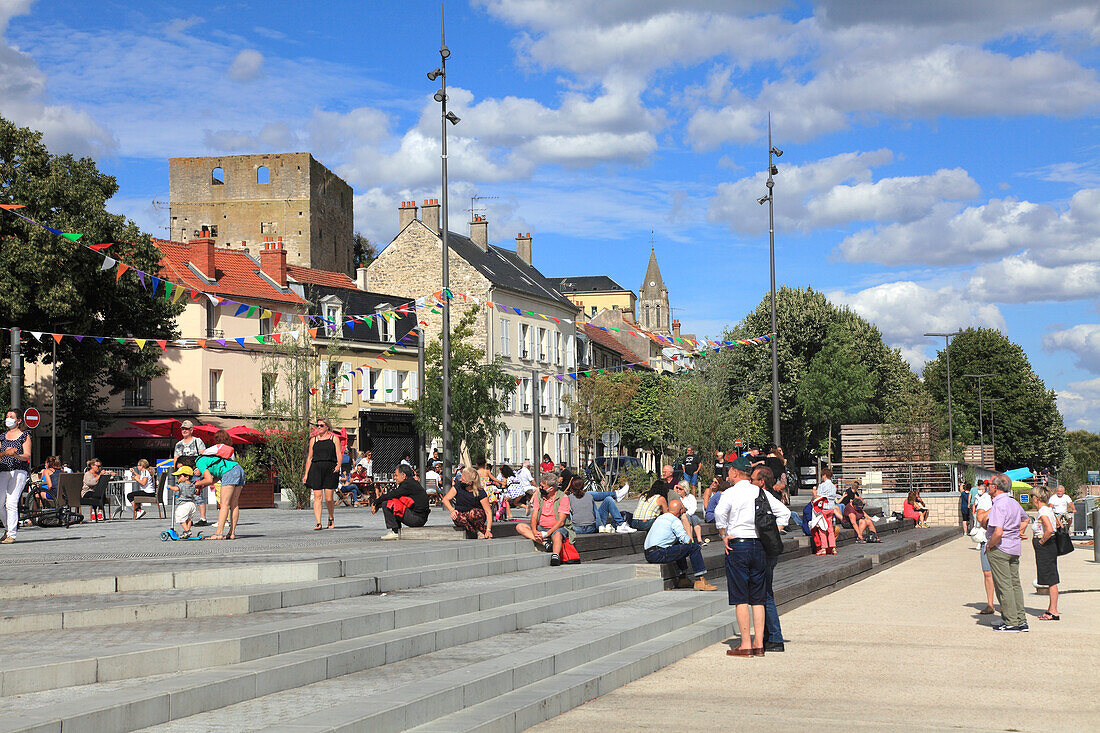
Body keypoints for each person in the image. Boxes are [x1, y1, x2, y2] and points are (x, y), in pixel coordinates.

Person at [715, 457, 791, 656]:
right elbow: (784, 512)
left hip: (738, 545)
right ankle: (759, 643)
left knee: (741, 597)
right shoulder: (760, 492)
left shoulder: (729, 493)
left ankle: (746, 644)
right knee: (758, 598)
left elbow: (719, 514)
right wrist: (775, 531)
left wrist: (724, 535)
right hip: (759, 545)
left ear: (734, 472)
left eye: (730, 472)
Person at [984, 473, 1030, 632]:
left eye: (989, 484)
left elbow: (998, 532)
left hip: (1000, 548)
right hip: (1014, 548)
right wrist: (1019, 531)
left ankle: (1011, 622)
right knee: (1015, 584)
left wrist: (989, 545)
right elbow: (1026, 519)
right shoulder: (1013, 502)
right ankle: (1020, 619)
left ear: (995, 487)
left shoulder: (998, 504)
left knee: (1004, 586)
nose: (987, 486)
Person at [751, 466, 788, 651]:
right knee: (765, 593)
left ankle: (774, 637)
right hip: (767, 550)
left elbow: (785, 513)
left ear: (761, 482)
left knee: (765, 594)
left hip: (766, 550)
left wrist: (773, 533)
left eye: (753, 479)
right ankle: (769, 635)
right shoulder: (762, 495)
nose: (751, 482)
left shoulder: (765, 496)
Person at [643, 498, 717, 591]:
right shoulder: (675, 521)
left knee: (679, 546)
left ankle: (683, 578)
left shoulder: (661, 518)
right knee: (694, 547)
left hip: (649, 553)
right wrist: (685, 523)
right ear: (680, 511)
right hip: (659, 553)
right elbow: (687, 541)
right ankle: (699, 580)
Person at [194, 431, 245, 540]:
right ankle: (231, 533)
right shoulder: (212, 458)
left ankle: (218, 533)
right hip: (238, 469)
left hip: (230, 472)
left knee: (224, 504)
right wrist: (203, 485)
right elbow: (216, 477)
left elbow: (208, 479)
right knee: (234, 504)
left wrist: (197, 484)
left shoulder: (200, 461)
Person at [515, 474, 572, 565]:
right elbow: (534, 515)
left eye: (542, 486)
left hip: (556, 528)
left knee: (558, 535)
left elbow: (561, 521)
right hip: (541, 527)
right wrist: (534, 530)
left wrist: (547, 533)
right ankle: (545, 544)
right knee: (520, 526)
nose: (540, 488)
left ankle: (555, 555)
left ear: (551, 488)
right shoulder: (539, 496)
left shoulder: (563, 497)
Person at [372, 463, 430, 540]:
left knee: (387, 503)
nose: (395, 478)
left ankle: (395, 532)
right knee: (394, 500)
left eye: (396, 475)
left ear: (403, 475)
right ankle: (397, 530)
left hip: (417, 519)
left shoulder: (408, 484)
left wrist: (375, 502)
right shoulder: (410, 482)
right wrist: (378, 504)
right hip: (419, 517)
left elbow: (392, 494)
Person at [0, 410, 33, 544]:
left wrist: (15, 455)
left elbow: (27, 455)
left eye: (11, 417)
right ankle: (8, 528)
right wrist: (5, 453)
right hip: (3, 469)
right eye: (7, 416)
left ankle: (11, 534)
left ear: (18, 420)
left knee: (12, 502)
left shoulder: (25, 435)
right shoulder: (2, 436)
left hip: (19, 470)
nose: (8, 419)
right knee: (0, 503)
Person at [1029, 486, 1061, 621]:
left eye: (1032, 497)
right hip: (1050, 546)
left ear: (1036, 498)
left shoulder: (1043, 511)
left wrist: (1041, 541)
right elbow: (1058, 525)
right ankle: (1052, 609)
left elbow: (1049, 529)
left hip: (1045, 547)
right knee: (1050, 577)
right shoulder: (1049, 509)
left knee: (1051, 579)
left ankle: (1053, 610)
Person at [302, 418, 340, 530]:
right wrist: (306, 474)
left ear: (327, 427)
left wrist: (338, 465)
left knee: (329, 498)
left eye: (321, 425)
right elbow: (309, 458)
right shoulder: (313, 440)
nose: (318, 427)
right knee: (317, 497)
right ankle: (318, 522)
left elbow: (339, 454)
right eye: (317, 425)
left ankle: (331, 517)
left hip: (330, 469)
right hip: (316, 468)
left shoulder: (334, 438)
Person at [566, 476, 635, 534]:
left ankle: (616, 495)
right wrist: (600, 526)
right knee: (606, 498)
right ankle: (616, 495)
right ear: (583, 485)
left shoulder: (568, 498)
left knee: (606, 498)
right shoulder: (589, 496)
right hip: (591, 528)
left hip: (576, 528)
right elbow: (596, 513)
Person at [173, 420, 208, 526]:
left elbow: (204, 456)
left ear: (191, 430)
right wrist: (177, 472)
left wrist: (200, 469)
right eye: (182, 429)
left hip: (194, 471)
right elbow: (176, 459)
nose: (184, 431)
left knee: (197, 495)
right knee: (185, 496)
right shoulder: (178, 444)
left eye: (186, 429)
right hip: (183, 474)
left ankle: (203, 518)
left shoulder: (198, 441)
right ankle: (188, 518)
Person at [442, 467, 494, 539]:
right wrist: (452, 510)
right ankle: (478, 531)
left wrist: (489, 529)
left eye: (462, 479)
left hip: (475, 515)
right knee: (458, 517)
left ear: (470, 483)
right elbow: (445, 499)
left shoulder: (480, 492)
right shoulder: (458, 486)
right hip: (462, 514)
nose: (460, 480)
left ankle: (483, 530)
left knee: (474, 513)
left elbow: (488, 512)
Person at [972, 481, 997, 615]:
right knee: (987, 573)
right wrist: (992, 510)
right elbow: (980, 517)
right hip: (986, 540)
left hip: (1002, 541)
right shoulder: (985, 499)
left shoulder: (1007, 498)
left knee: (1002, 574)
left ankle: (1005, 605)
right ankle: (990, 604)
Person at [812, 466, 838, 554]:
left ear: (825, 475)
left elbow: (818, 497)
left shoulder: (822, 485)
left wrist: (814, 493)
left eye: (822, 475)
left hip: (823, 507)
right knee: (830, 528)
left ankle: (824, 548)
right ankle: (833, 547)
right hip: (831, 507)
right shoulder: (834, 486)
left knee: (822, 527)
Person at [170, 465, 200, 537]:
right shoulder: (192, 485)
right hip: (192, 504)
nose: (178, 478)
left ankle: (187, 531)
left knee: (180, 518)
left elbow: (176, 488)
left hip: (184, 505)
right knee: (189, 519)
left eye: (180, 476)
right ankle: (188, 531)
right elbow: (196, 491)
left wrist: (170, 487)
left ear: (187, 477)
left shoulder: (182, 484)